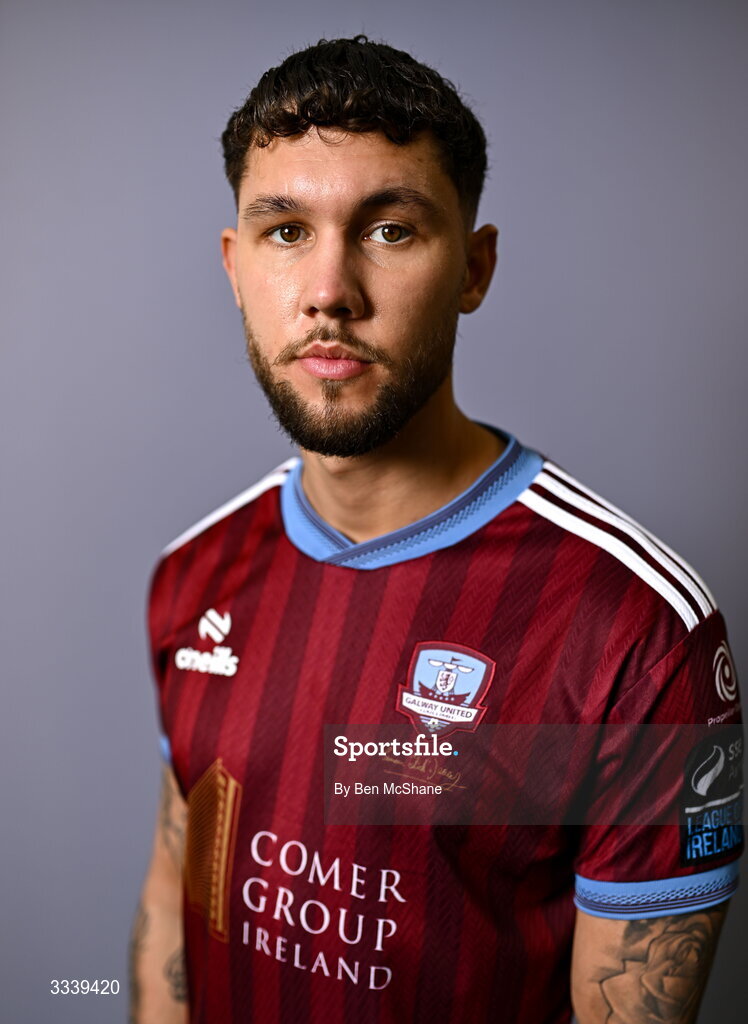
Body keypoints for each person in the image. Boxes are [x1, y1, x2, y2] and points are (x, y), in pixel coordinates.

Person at [130, 36, 743, 1024]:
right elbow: (173, 897)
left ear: (474, 266)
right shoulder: (193, 573)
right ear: (236, 266)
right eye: (286, 231)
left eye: (388, 230)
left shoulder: (640, 628)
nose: (329, 289)